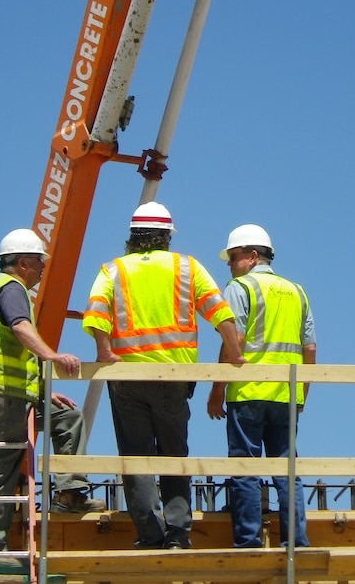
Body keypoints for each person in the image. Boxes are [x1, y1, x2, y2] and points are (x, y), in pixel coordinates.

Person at [82, 201, 244, 551]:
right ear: (166, 236)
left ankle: (150, 534)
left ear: (133, 237)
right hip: (173, 377)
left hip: (127, 377)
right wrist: (234, 353)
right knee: (173, 453)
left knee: (136, 457)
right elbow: (220, 313)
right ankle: (177, 535)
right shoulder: (186, 267)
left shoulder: (113, 270)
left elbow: (96, 314)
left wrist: (104, 352)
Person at [0, 228, 105, 574]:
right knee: (1, 470)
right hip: (3, 396)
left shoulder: (11, 289)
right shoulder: (11, 289)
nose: (44, 267)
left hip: (16, 395)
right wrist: (53, 356)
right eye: (40, 261)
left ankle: (69, 493)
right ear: (24, 262)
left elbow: (18, 350)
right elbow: (19, 328)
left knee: (66, 418)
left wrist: (46, 386)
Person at [207, 224, 316, 549]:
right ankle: (295, 541)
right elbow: (309, 348)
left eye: (233, 257)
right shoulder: (297, 291)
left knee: (245, 467)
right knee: (287, 469)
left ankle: (249, 541)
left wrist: (216, 391)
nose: (229, 264)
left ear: (253, 257)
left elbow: (233, 341)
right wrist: (302, 394)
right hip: (286, 395)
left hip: (248, 393)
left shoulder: (240, 287)